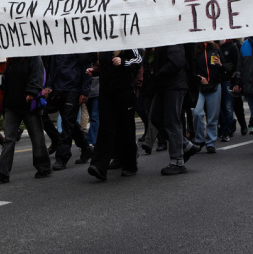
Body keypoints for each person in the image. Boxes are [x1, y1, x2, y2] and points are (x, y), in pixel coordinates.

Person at [0, 56, 51, 183]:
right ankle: (2, 171)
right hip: (12, 103)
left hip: (29, 104)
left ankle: (43, 166)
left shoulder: (34, 59)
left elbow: (38, 76)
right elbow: (8, 82)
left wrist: (32, 92)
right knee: (9, 138)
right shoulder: (11, 60)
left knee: (36, 136)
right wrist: (1, 80)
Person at [87, 48, 142, 181]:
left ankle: (130, 164)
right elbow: (102, 66)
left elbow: (139, 60)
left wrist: (123, 61)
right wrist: (95, 70)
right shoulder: (104, 46)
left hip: (124, 92)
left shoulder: (128, 43)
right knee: (106, 128)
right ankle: (99, 165)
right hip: (106, 93)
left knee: (126, 128)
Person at [148, 43, 200, 175]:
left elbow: (177, 62)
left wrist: (158, 72)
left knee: (172, 121)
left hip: (174, 85)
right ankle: (186, 145)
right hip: (164, 85)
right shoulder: (162, 40)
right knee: (156, 117)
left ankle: (177, 161)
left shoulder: (172, 40)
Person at [44, 53, 93, 169]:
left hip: (73, 88)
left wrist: (84, 91)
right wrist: (49, 85)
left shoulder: (78, 46)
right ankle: (86, 148)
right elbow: (52, 67)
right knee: (66, 120)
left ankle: (62, 157)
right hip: (58, 88)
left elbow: (86, 67)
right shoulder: (57, 46)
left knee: (67, 122)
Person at [192, 41, 224, 153]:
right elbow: (191, 70)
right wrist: (199, 77)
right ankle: (200, 139)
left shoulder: (216, 49)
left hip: (214, 86)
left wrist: (220, 64)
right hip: (199, 88)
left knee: (213, 117)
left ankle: (211, 142)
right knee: (197, 112)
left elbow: (225, 69)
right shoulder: (195, 49)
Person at [217, 39, 240, 142]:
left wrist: (236, 82)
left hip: (228, 80)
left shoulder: (232, 47)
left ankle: (227, 130)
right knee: (219, 107)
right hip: (217, 80)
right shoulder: (216, 48)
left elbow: (236, 65)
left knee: (228, 107)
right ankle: (226, 126)